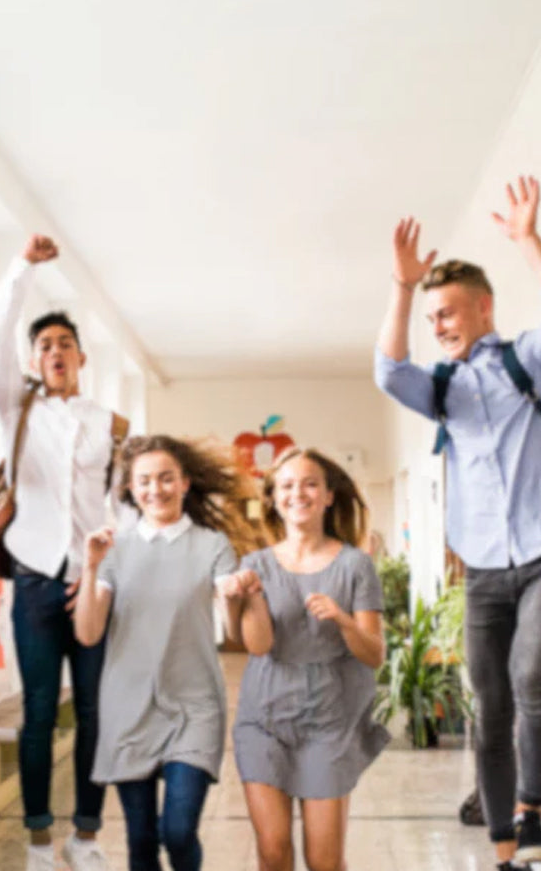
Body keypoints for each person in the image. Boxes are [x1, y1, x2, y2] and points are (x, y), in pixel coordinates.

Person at [374, 174, 541, 871]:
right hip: (482, 570)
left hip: (539, 557)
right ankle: (506, 850)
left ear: (483, 307)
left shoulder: (523, 362)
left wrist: (529, 241)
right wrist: (403, 286)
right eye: (431, 317)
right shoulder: (441, 388)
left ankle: (534, 806)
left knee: (532, 675)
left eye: (447, 312)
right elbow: (389, 371)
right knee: (491, 705)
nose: (439, 325)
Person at [0, 234, 128, 871]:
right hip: (36, 582)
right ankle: (40, 840)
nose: (54, 352)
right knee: (40, 711)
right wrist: (22, 269)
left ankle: (86, 836)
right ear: (34, 360)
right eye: (44, 345)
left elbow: (121, 508)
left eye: (64, 343)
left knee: (95, 711)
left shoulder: (110, 425)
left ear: (81, 357)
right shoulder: (16, 408)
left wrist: (105, 574)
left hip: (92, 584)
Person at [74, 435, 251, 871]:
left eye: (166, 478)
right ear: (131, 488)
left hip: (194, 705)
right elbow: (89, 633)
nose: (156, 489)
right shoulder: (114, 550)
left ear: (185, 483)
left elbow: (234, 630)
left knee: (178, 830)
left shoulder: (213, 545)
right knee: (141, 840)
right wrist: (90, 566)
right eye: (145, 481)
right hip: (128, 707)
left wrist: (233, 597)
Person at [226, 447, 389, 871]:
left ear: (329, 496)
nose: (298, 493)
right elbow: (258, 646)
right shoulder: (255, 565)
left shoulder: (356, 565)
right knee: (273, 851)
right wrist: (248, 598)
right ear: (273, 498)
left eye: (310, 484)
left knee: (323, 860)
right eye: (287, 485)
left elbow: (374, 654)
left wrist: (343, 621)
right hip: (263, 718)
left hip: (328, 721)